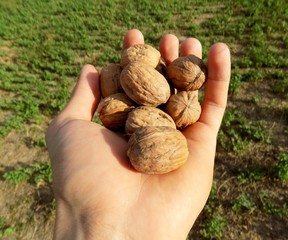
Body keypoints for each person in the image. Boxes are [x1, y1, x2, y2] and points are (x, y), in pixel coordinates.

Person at [45, 29, 231, 240]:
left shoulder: (163, 102)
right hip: (153, 118)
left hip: (159, 118)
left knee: (172, 102)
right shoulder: (139, 95)